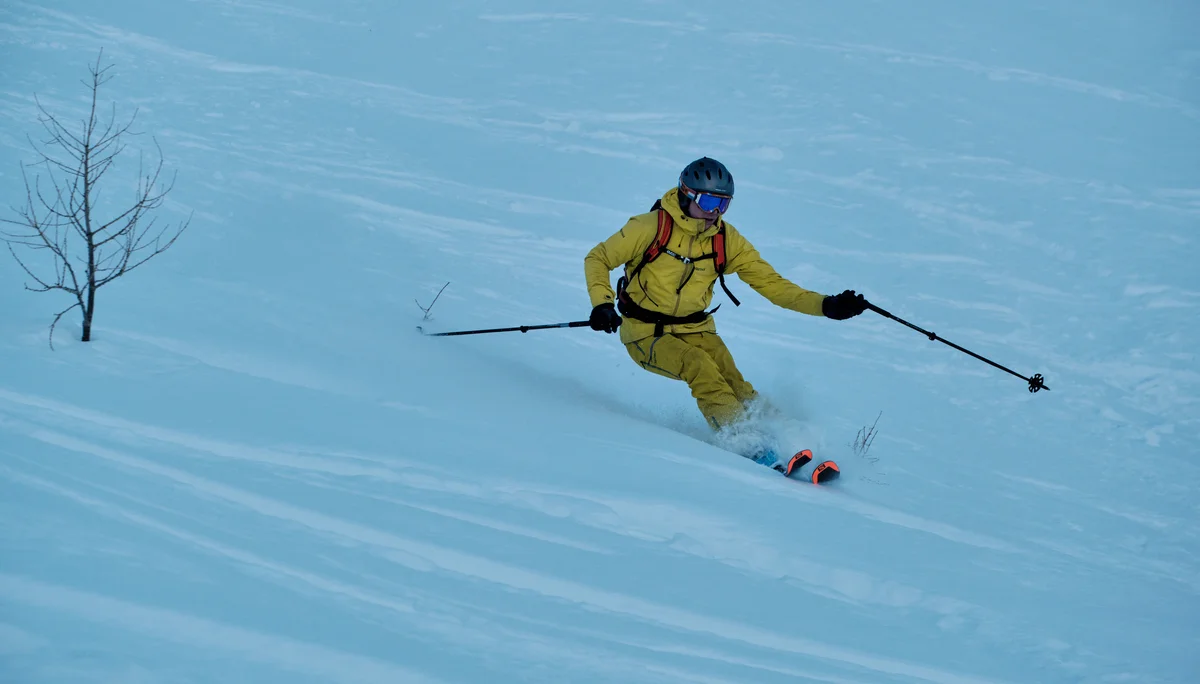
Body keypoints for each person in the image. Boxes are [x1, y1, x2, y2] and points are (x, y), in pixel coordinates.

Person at [583, 157, 868, 458]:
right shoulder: (650, 227)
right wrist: (602, 304)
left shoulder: (724, 239)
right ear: (686, 195)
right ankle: (746, 444)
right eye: (708, 202)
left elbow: (773, 285)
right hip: (645, 333)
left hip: (696, 328)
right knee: (698, 365)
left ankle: (791, 439)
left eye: (723, 204)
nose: (715, 212)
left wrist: (826, 305)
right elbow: (598, 258)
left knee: (734, 381)